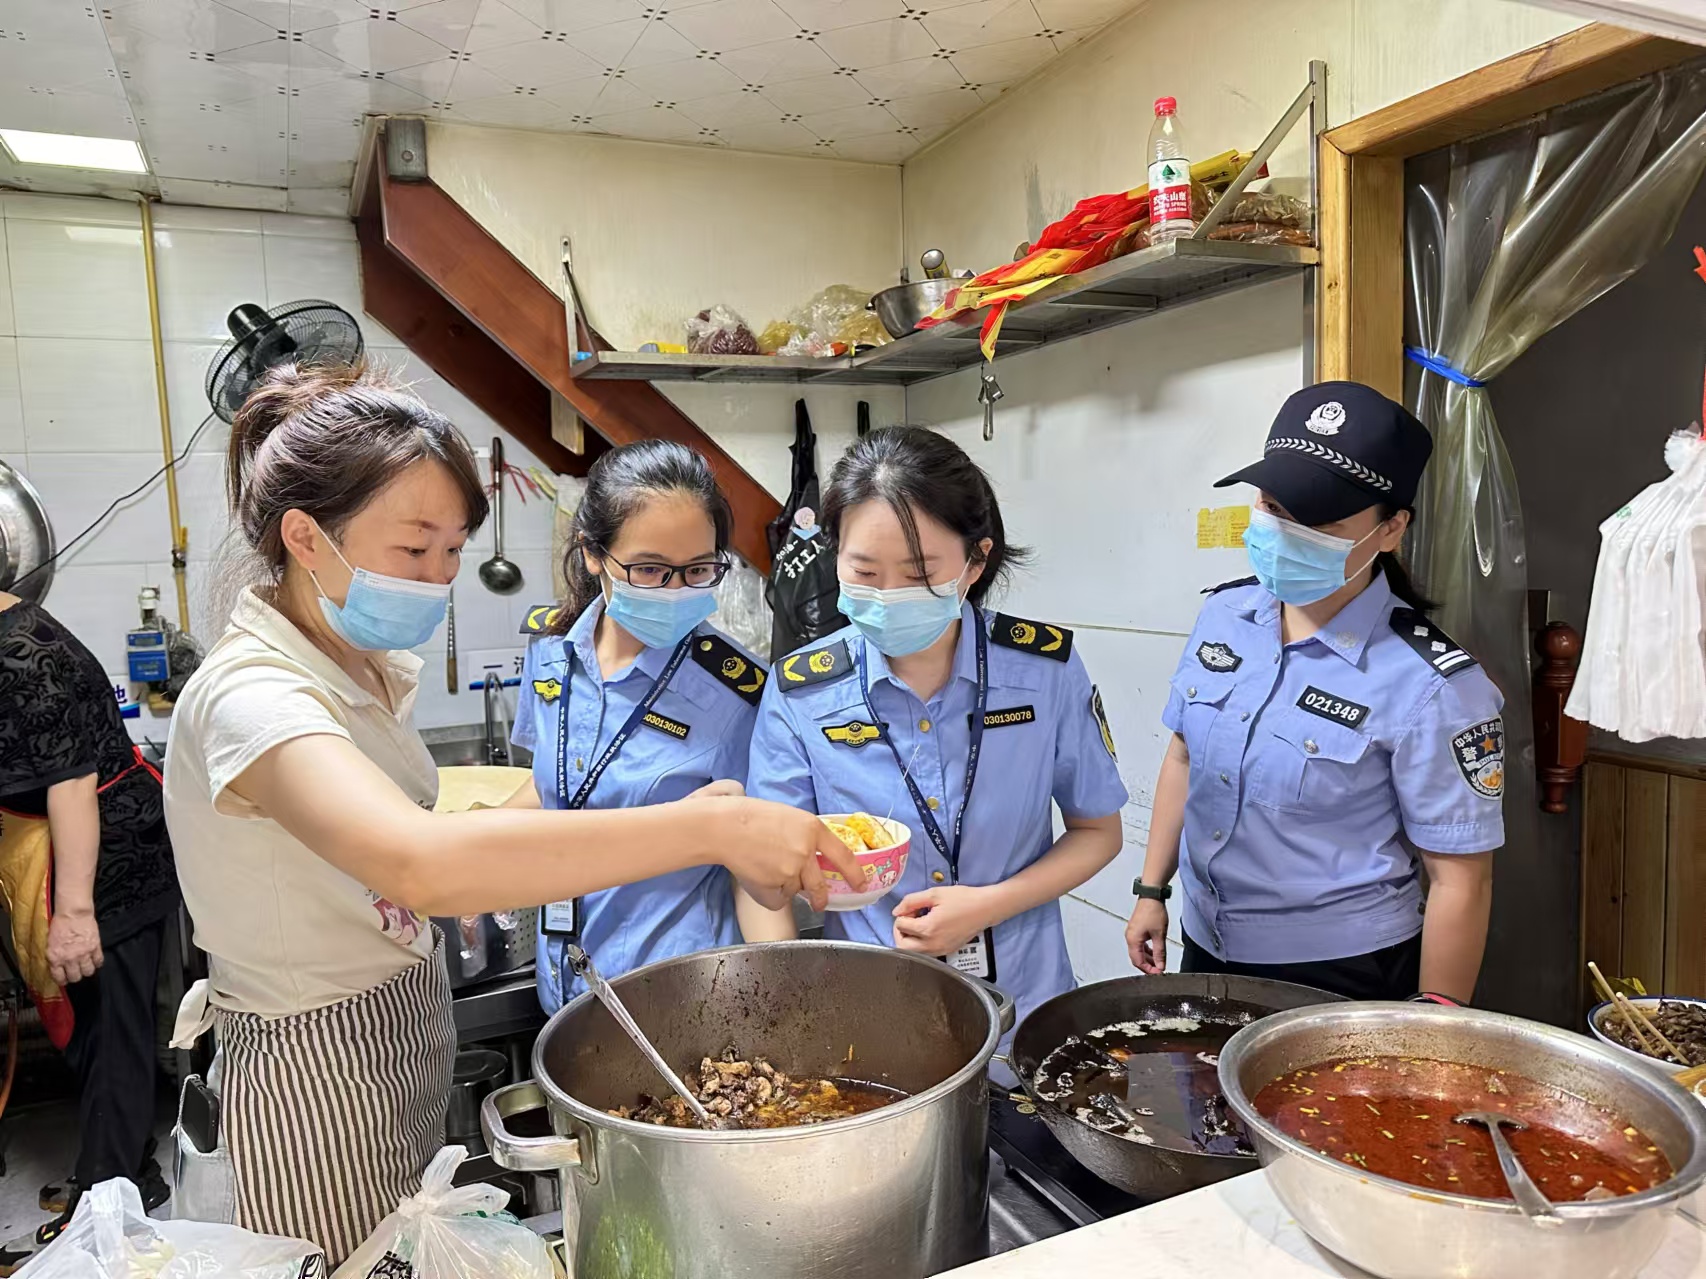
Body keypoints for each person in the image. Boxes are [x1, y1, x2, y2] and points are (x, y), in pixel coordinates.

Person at [162, 362, 861, 1264]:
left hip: (403, 1039)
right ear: (305, 536)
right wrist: (710, 825)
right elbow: (421, 861)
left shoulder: (356, 670)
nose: (439, 578)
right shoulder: (253, 697)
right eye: (415, 550)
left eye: (453, 550)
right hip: (313, 1071)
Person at [745, 427, 1127, 1059]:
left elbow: (1099, 831)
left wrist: (988, 906)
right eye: (863, 572)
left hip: (1025, 1007)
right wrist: (790, 1006)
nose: (888, 595)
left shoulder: (1044, 671)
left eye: (920, 573)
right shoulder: (801, 691)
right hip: (867, 1019)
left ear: (975, 562)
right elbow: (764, 872)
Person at [1123, 381, 1501, 1003]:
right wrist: (1151, 891)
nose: (1285, 531)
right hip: (1206, 941)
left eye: (1320, 520)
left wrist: (1432, 1028)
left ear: (1390, 530)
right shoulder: (1225, 615)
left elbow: (1461, 880)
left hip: (1341, 969)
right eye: (1273, 506)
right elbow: (1184, 756)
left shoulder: (1432, 684)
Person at [507, 439, 774, 1014]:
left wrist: (780, 992)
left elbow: (753, 866)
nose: (676, 592)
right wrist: (467, 836)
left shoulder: (737, 693)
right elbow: (550, 784)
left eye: (698, 570)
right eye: (650, 569)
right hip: (564, 985)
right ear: (592, 553)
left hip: (682, 997)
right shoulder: (550, 653)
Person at [0, 590, 174, 1270]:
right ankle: (124, 1172)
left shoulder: (24, 652)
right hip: (66, 855)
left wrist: (74, 916)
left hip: (108, 862)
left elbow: (72, 783)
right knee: (91, 1030)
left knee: (112, 1035)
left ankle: (105, 1209)